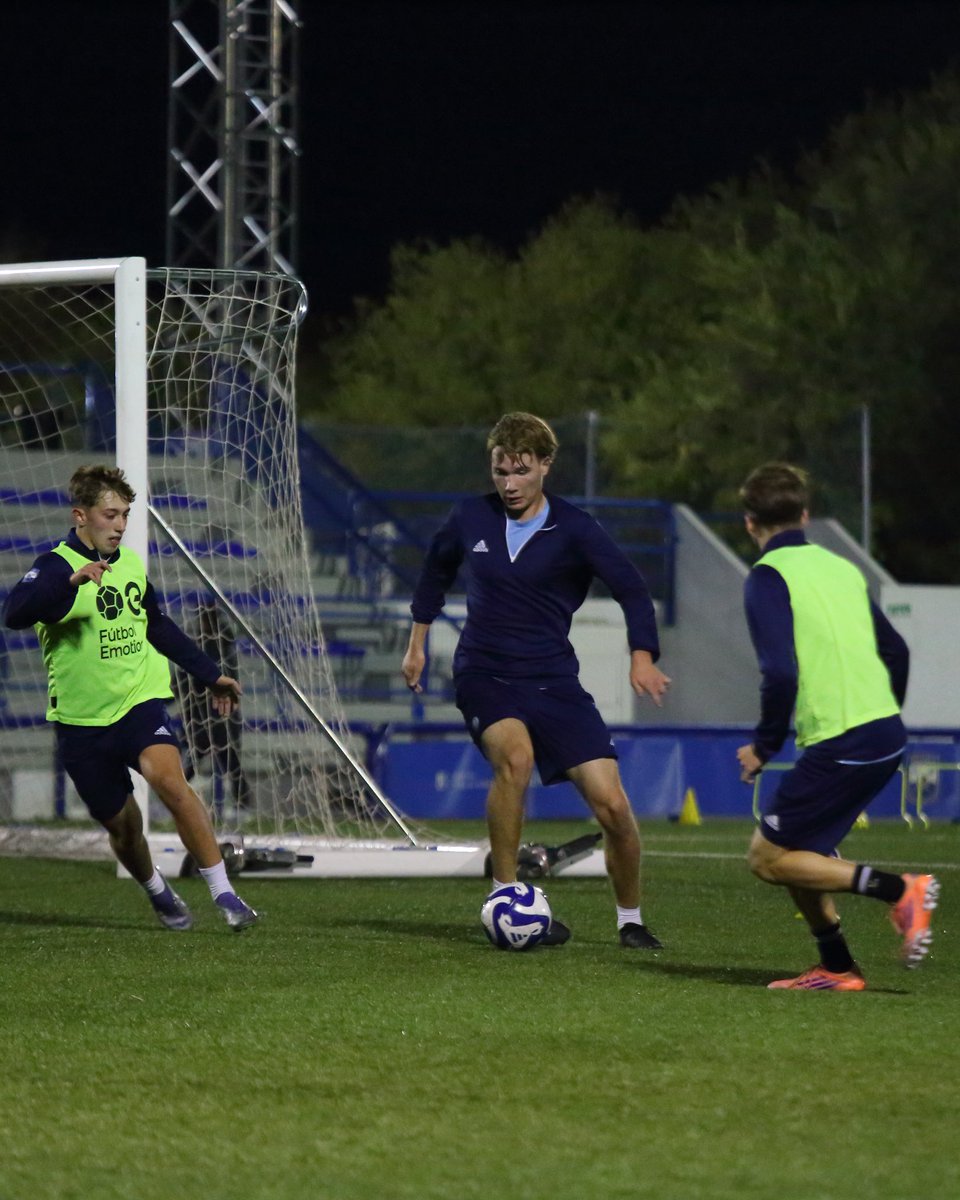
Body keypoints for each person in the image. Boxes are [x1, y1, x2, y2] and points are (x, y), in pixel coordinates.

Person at [401, 412, 671, 948]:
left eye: (520, 471)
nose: (508, 483)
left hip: (553, 680)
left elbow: (632, 590)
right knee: (516, 759)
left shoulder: (576, 528)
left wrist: (642, 656)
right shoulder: (470, 518)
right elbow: (434, 572)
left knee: (613, 807)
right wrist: (417, 643)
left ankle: (631, 921)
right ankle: (505, 897)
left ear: (546, 466)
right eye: (500, 471)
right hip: (485, 674)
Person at [2, 465, 258, 932]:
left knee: (170, 780)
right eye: (110, 515)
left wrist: (209, 674)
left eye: (124, 515)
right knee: (124, 827)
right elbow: (15, 613)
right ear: (82, 516)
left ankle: (225, 894)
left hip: (139, 703)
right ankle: (157, 890)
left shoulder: (131, 564)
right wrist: (72, 583)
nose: (120, 525)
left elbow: (156, 624)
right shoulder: (56, 566)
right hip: (80, 722)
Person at [736, 462, 938, 990]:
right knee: (797, 852)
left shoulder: (766, 577)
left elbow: (779, 671)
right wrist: (879, 714)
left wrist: (763, 745)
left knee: (766, 857)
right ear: (805, 516)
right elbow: (897, 650)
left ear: (749, 522)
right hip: (881, 733)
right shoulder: (842, 568)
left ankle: (899, 891)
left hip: (847, 740)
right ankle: (837, 967)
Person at [175, 598, 253, 812]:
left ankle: (242, 806)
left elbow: (183, 679)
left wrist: (172, 694)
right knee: (227, 765)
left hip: (207, 716)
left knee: (210, 763)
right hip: (217, 717)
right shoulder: (223, 646)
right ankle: (243, 806)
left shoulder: (208, 647)